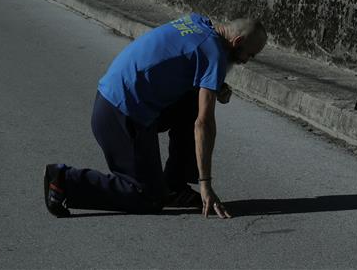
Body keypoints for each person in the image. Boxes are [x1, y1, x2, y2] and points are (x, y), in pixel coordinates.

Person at [43, 14, 267, 219]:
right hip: (119, 114)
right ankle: (64, 180)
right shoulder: (214, 55)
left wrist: (216, 85)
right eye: (250, 54)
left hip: (114, 100)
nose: (247, 60)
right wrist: (205, 184)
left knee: (192, 99)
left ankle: (173, 185)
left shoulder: (198, 22)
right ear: (237, 42)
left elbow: (178, 59)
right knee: (147, 197)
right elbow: (203, 124)